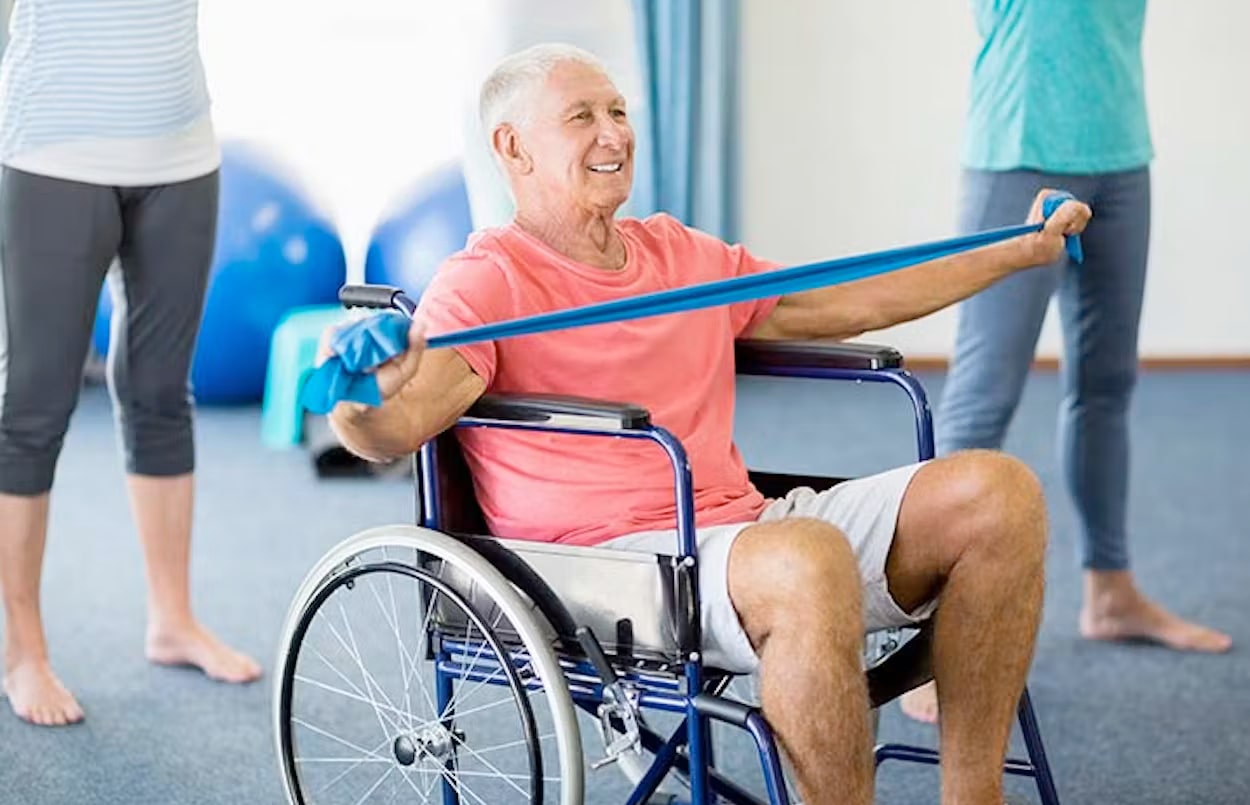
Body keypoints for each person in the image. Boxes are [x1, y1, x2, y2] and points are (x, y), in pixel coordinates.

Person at [323, 43, 1090, 804]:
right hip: (606, 564)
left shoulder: (679, 254)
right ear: (512, 147)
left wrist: (1014, 251)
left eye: (619, 111)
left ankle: (973, 794)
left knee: (999, 495)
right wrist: (359, 395)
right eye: (582, 116)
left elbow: (847, 299)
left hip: (739, 528)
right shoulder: (487, 281)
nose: (614, 133)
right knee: (806, 560)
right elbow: (395, 427)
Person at [899, 0, 1230, 726]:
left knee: (1107, 384)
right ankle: (929, 645)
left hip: (1120, 154)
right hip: (1019, 153)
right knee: (984, 395)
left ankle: (1110, 590)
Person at [0, 0, 261, 727]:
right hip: (55, 151)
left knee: (159, 389)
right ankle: (21, 649)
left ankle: (172, 619)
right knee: (32, 405)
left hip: (181, 150)